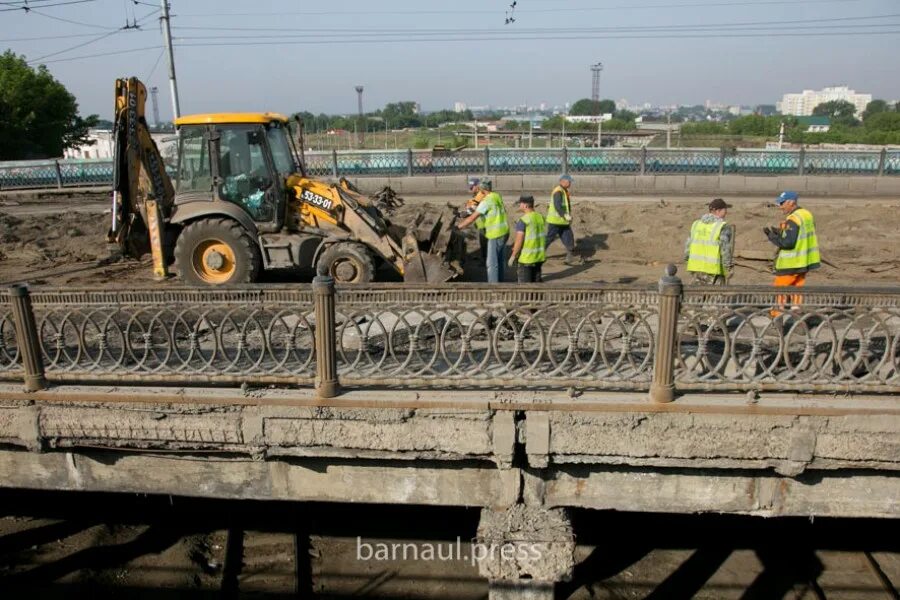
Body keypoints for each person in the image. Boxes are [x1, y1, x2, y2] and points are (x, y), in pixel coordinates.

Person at [764, 190, 821, 314]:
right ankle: (798, 320)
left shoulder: (793, 219)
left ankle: (775, 321)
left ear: (791, 202)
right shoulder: (806, 214)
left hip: (790, 263)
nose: (780, 206)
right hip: (804, 262)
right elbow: (802, 234)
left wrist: (773, 237)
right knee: (797, 292)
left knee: (780, 292)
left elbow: (788, 243)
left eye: (782, 203)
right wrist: (782, 232)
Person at [457, 179, 509, 282]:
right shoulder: (496, 196)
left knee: (491, 263)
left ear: (482, 188)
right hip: (504, 231)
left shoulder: (486, 201)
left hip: (495, 234)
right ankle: (501, 283)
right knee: (499, 260)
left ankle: (493, 286)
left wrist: (458, 227)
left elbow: (472, 217)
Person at [683, 198, 734, 285]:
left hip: (696, 268)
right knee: (715, 297)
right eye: (724, 210)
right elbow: (725, 250)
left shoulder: (696, 224)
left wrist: (687, 260)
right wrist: (728, 267)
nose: (726, 212)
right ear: (717, 211)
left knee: (696, 296)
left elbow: (688, 246)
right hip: (714, 271)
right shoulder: (722, 227)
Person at [545, 174, 584, 266]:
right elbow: (557, 206)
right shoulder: (558, 191)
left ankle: (570, 257)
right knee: (549, 238)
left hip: (562, 221)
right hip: (555, 221)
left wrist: (566, 217)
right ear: (563, 181)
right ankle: (538, 253)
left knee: (569, 237)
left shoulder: (563, 190)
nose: (570, 183)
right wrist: (565, 215)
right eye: (569, 181)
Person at [508, 195, 546, 283]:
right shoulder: (540, 217)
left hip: (527, 259)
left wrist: (513, 256)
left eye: (520, 204)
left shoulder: (523, 221)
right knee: (536, 286)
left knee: (525, 288)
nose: (519, 206)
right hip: (538, 257)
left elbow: (519, 241)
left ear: (525, 206)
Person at [463, 177, 488, 261]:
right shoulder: (477, 194)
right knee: (483, 241)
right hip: (482, 223)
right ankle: (484, 257)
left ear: (477, 186)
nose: (470, 189)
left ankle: (485, 259)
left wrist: (464, 213)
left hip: (486, 223)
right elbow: (472, 203)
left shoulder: (481, 194)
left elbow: (474, 207)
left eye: (472, 187)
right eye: (470, 187)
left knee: (485, 242)